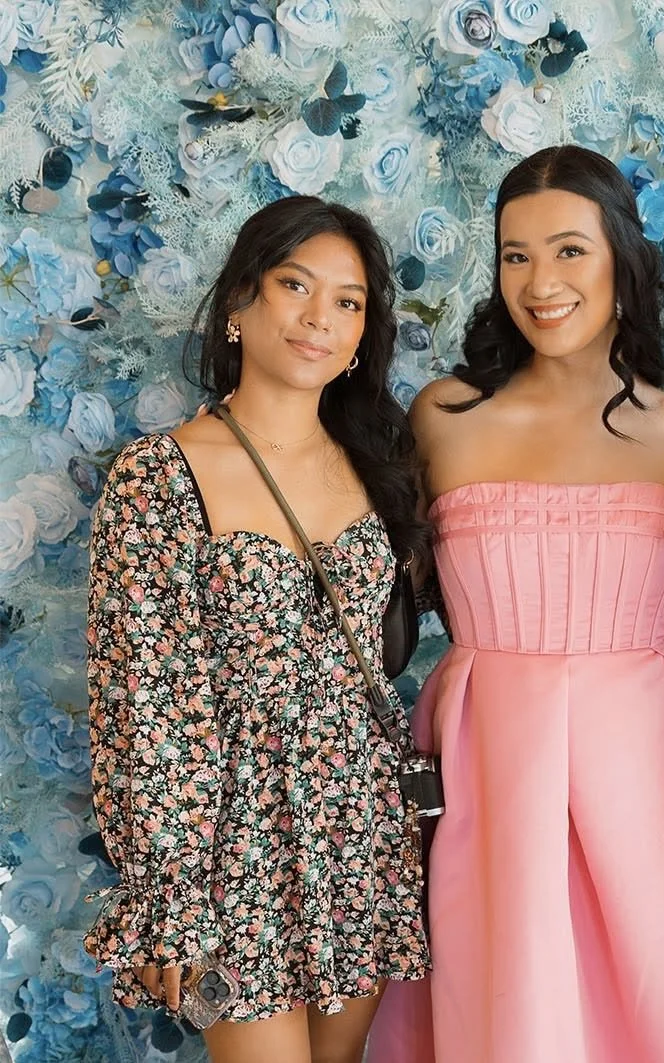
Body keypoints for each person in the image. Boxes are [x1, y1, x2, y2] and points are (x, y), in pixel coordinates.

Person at [367, 145, 664, 1063]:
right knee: (502, 1004)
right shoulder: (446, 415)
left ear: (621, 257)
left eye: (570, 250)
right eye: (517, 254)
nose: (542, 282)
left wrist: (612, 668)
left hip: (653, 771)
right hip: (489, 757)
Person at [85, 196, 429, 1063]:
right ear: (240, 301)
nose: (320, 318)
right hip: (228, 840)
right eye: (294, 285)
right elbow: (147, 709)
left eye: (348, 301)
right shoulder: (159, 475)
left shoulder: (377, 463)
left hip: (359, 826)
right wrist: (172, 900)